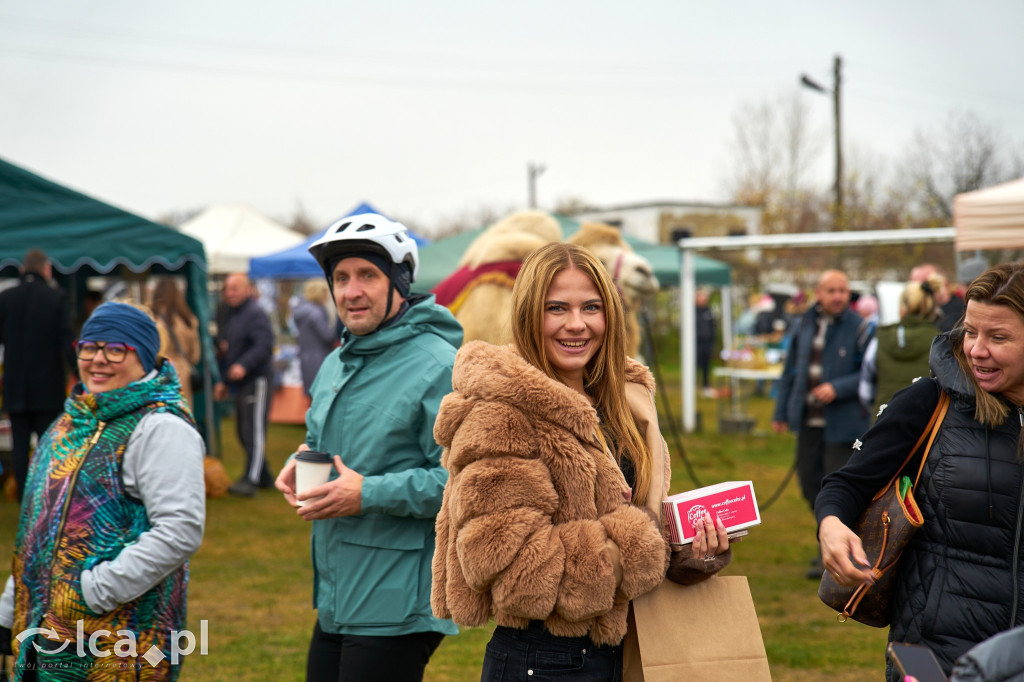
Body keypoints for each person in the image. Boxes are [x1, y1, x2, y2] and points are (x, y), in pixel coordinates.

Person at [431, 242, 732, 681]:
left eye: (591, 307)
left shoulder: (623, 400)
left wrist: (689, 547)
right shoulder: (500, 414)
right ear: (528, 314)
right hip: (544, 660)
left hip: (627, 647)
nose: (577, 324)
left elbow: (634, 515)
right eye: (557, 308)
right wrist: (646, 543)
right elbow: (513, 569)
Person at [274, 213, 461, 682]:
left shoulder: (439, 365)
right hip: (339, 594)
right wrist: (301, 459)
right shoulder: (336, 362)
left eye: (367, 275)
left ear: (399, 283)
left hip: (399, 599)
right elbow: (325, 443)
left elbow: (465, 484)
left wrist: (367, 493)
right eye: (340, 278)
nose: (351, 291)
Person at [817, 263, 1024, 679]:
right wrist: (831, 525)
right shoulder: (929, 401)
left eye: (998, 337)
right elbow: (848, 483)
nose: (977, 349)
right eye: (970, 331)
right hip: (937, 655)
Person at [0, 301, 205, 679]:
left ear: (144, 357)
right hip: (44, 633)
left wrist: (93, 592)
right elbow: (38, 529)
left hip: (118, 645)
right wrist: (9, 609)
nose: (98, 359)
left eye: (115, 349)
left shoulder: (161, 427)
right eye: (89, 347)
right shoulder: (68, 423)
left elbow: (180, 530)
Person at [772, 269, 872, 578]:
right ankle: (832, 543)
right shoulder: (804, 323)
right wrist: (781, 412)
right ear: (818, 294)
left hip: (842, 425)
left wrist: (837, 388)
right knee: (809, 486)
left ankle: (833, 556)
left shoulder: (860, 327)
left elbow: (869, 372)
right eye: (831, 290)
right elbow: (791, 370)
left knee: (836, 491)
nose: (838, 296)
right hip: (808, 422)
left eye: (843, 290)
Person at [0, 248, 76, 502]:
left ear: (22, 270)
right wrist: (80, 372)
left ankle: (25, 500)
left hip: (15, 386)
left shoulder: (6, 298)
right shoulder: (57, 297)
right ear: (47, 269)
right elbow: (66, 340)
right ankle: (46, 496)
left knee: (20, 448)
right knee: (48, 445)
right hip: (47, 386)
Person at [215, 272, 275, 497]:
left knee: (253, 431)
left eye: (234, 288)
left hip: (257, 379)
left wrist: (243, 365)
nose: (229, 293)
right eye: (227, 289)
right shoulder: (231, 314)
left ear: (247, 289)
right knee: (242, 431)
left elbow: (264, 345)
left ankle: (251, 480)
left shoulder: (255, 313)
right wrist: (225, 381)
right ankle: (264, 475)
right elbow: (231, 351)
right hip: (241, 382)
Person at [858, 278, 942, 417]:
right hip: (927, 421)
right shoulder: (940, 342)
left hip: (884, 420)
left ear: (902, 308)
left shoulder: (881, 337)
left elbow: (865, 390)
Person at [149, 276, 202, 411]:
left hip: (158, 374)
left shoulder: (150, 319)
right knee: (182, 415)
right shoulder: (187, 319)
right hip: (182, 375)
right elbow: (195, 356)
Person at [291, 278, 336, 396]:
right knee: (323, 394)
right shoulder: (316, 313)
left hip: (306, 359)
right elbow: (327, 336)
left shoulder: (301, 311)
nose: (327, 296)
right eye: (325, 292)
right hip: (320, 359)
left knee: (313, 396)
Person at [912, 263, 966, 334]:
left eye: (928, 284)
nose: (924, 290)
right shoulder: (921, 313)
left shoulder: (960, 309)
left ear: (945, 283)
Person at [695, 288, 716, 395]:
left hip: (707, 343)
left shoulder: (709, 311)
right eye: (701, 297)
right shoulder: (692, 311)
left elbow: (713, 327)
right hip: (696, 343)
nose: (703, 299)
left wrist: (712, 342)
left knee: (706, 365)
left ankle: (705, 385)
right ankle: (692, 385)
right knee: (695, 364)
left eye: (704, 298)